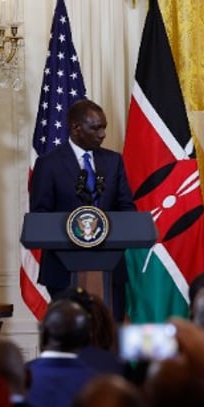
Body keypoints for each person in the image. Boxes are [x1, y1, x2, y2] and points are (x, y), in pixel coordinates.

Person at [29, 99, 136, 320]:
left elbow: (127, 209)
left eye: (104, 127)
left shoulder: (113, 161)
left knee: (108, 335)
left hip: (110, 270)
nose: (102, 134)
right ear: (76, 128)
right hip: (63, 272)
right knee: (71, 336)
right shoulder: (49, 164)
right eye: (96, 128)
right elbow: (40, 215)